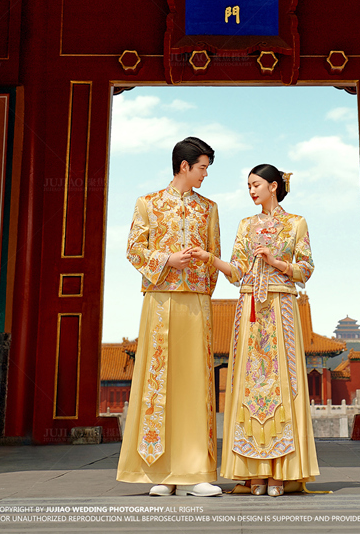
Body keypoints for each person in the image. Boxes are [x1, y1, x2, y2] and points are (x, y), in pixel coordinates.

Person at [191, 164, 319, 497]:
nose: (251, 191)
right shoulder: (245, 225)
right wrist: (209, 258)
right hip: (248, 309)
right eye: (248, 186)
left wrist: (276, 262)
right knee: (249, 388)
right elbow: (237, 271)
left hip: (280, 307)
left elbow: (306, 268)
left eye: (256, 185)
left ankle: (280, 473)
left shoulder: (296, 223)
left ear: (274, 186)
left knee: (282, 384)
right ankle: (255, 474)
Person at [116, 137, 223, 498]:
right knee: (157, 383)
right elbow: (133, 250)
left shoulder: (209, 208)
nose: (205, 174)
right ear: (184, 166)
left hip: (195, 303)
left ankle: (196, 473)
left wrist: (200, 287)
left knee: (195, 383)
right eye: (202, 167)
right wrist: (167, 261)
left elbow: (214, 255)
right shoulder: (147, 204)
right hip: (159, 301)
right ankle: (161, 473)